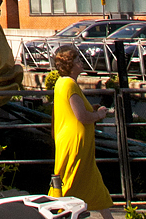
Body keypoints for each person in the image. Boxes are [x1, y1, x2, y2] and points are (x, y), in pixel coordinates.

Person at [49, 46, 112, 219]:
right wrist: (98, 115)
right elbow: (82, 116)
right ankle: (58, 212)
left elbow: (71, 111)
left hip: (71, 140)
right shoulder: (69, 84)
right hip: (76, 142)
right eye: (77, 60)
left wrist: (91, 109)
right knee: (70, 180)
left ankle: (106, 215)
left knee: (88, 178)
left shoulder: (62, 83)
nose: (81, 63)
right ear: (70, 64)